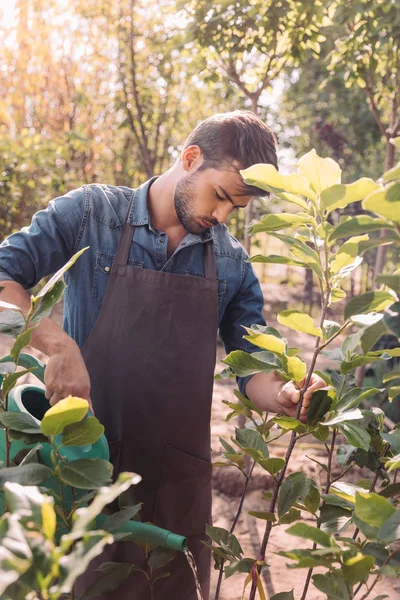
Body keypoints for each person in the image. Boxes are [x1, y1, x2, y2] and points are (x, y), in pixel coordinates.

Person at [0, 111, 325, 599]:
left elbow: (251, 367)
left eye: (235, 207)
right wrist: (57, 345)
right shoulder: (92, 215)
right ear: (190, 158)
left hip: (175, 480)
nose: (221, 216)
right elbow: (4, 279)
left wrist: (282, 394)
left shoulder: (232, 264)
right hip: (84, 464)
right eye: (219, 195)